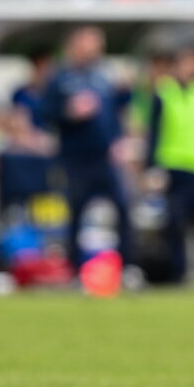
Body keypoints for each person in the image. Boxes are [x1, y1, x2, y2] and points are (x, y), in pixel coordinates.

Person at [42, 26, 136, 273]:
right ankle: (74, 270)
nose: (97, 49)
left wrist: (119, 140)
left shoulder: (103, 77)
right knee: (76, 215)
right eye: (92, 43)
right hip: (76, 160)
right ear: (76, 45)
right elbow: (45, 114)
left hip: (105, 158)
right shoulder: (60, 79)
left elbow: (115, 114)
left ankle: (125, 268)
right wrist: (70, 113)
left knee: (124, 209)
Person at [144, 46, 194, 285]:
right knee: (175, 225)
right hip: (173, 168)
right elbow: (154, 132)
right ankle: (177, 273)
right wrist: (152, 167)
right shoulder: (164, 92)